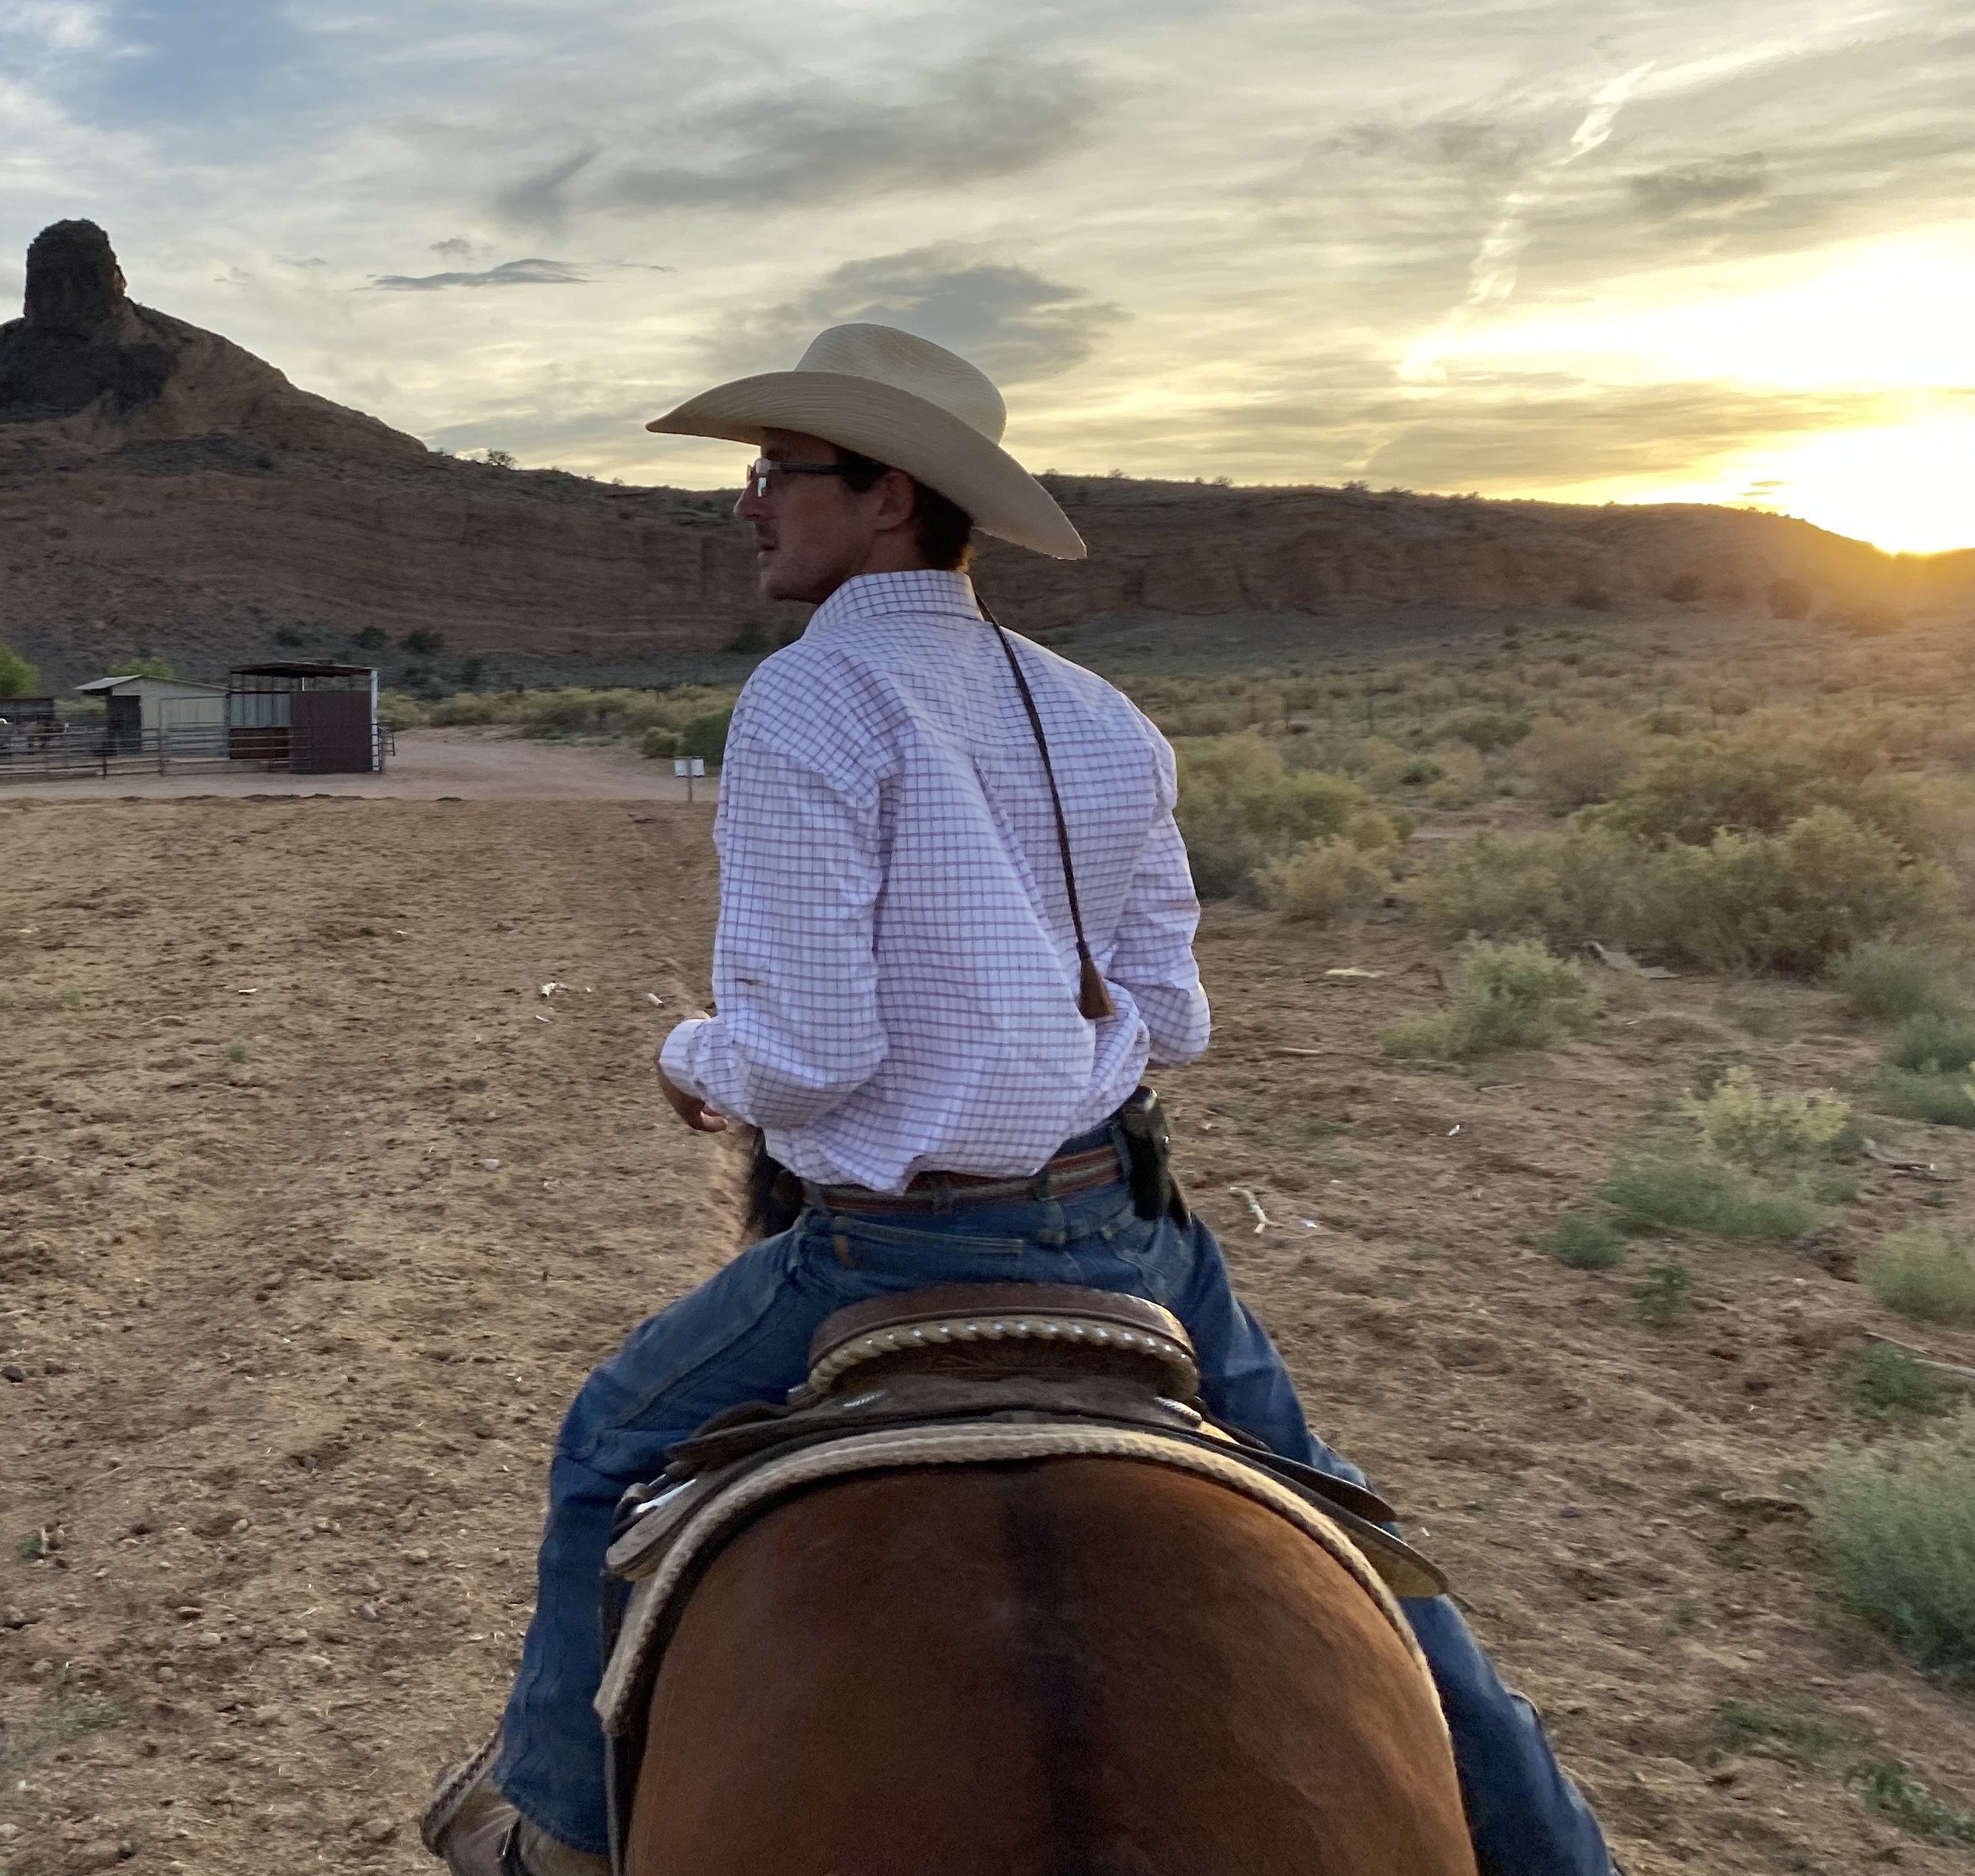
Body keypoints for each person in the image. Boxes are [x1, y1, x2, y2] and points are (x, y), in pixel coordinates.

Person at [422, 324, 1613, 1876]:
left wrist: (689, 1057)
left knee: (601, 1450)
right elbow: (1171, 1011)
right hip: (1129, 1236)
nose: (749, 501)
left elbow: (809, 1062)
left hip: (882, 1255)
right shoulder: (1103, 715)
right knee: (1376, 1559)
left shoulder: (810, 700)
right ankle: (1562, 1854)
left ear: (891, 496)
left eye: (781, 470)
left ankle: (557, 1842)